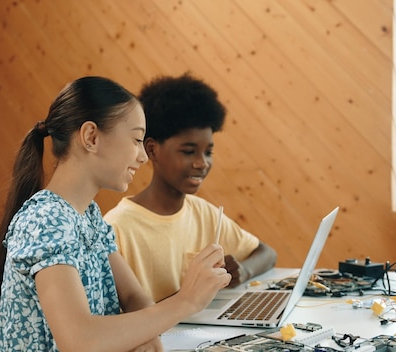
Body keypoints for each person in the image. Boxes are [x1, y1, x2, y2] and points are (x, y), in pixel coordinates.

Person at [0, 76, 231, 352]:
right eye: (136, 140)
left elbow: (134, 296)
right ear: (91, 137)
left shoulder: (88, 215)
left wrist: (149, 338)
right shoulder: (46, 221)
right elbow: (80, 341)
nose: (143, 157)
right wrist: (186, 301)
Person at [103, 73, 277, 303]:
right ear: (152, 150)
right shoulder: (118, 227)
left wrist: (243, 271)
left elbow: (267, 253)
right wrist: (192, 294)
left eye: (208, 152)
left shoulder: (202, 212)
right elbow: (118, 317)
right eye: (188, 151)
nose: (201, 163)